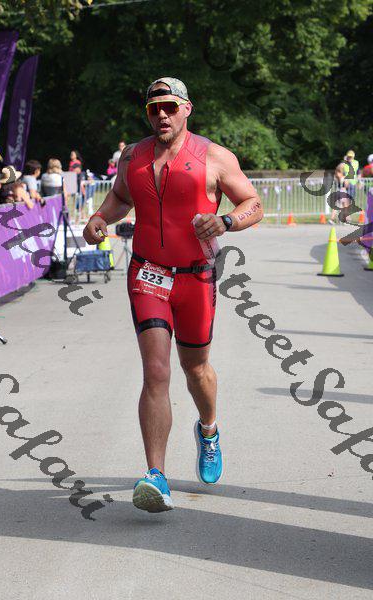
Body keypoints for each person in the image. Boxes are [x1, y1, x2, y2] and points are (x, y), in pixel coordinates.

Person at [83, 77, 263, 513]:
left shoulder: (215, 156)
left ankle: (208, 429)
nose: (161, 115)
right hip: (148, 274)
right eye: (153, 108)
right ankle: (156, 476)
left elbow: (253, 203)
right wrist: (99, 218)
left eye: (169, 106)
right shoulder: (133, 156)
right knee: (157, 371)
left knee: (195, 368)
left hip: (196, 277)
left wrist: (226, 222)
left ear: (187, 108)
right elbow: (120, 197)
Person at [329, 150, 360, 224]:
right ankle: (344, 219)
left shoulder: (341, 175)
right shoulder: (342, 176)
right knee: (344, 205)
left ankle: (334, 219)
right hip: (342, 190)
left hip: (342, 189)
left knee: (340, 205)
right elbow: (344, 183)